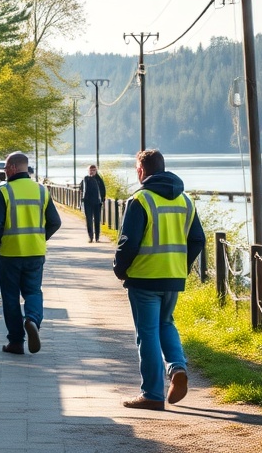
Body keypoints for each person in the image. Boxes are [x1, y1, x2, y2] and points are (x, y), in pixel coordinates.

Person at [113, 149, 206, 410]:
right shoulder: (185, 200)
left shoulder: (141, 199)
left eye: (136, 169)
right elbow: (198, 239)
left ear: (142, 170)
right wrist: (181, 266)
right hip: (172, 277)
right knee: (166, 324)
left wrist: (120, 270)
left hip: (144, 277)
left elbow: (127, 242)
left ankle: (152, 394)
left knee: (148, 333)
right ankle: (177, 368)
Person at [0, 152, 62, 355]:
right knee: (33, 291)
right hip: (35, 253)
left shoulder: (4, 191)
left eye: (5, 167)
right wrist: (39, 239)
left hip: (10, 254)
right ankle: (32, 320)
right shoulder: (41, 190)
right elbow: (55, 222)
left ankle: (16, 342)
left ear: (12, 167)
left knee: (11, 297)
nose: (4, 171)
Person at [80, 164, 106, 242]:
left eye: (94, 170)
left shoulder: (99, 179)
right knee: (89, 220)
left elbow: (103, 190)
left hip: (97, 203)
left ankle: (97, 237)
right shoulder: (85, 179)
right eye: (91, 170)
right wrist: (83, 199)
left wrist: (102, 200)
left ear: (96, 171)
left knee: (97, 220)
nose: (92, 172)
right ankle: (90, 237)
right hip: (88, 202)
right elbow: (82, 189)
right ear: (88, 171)